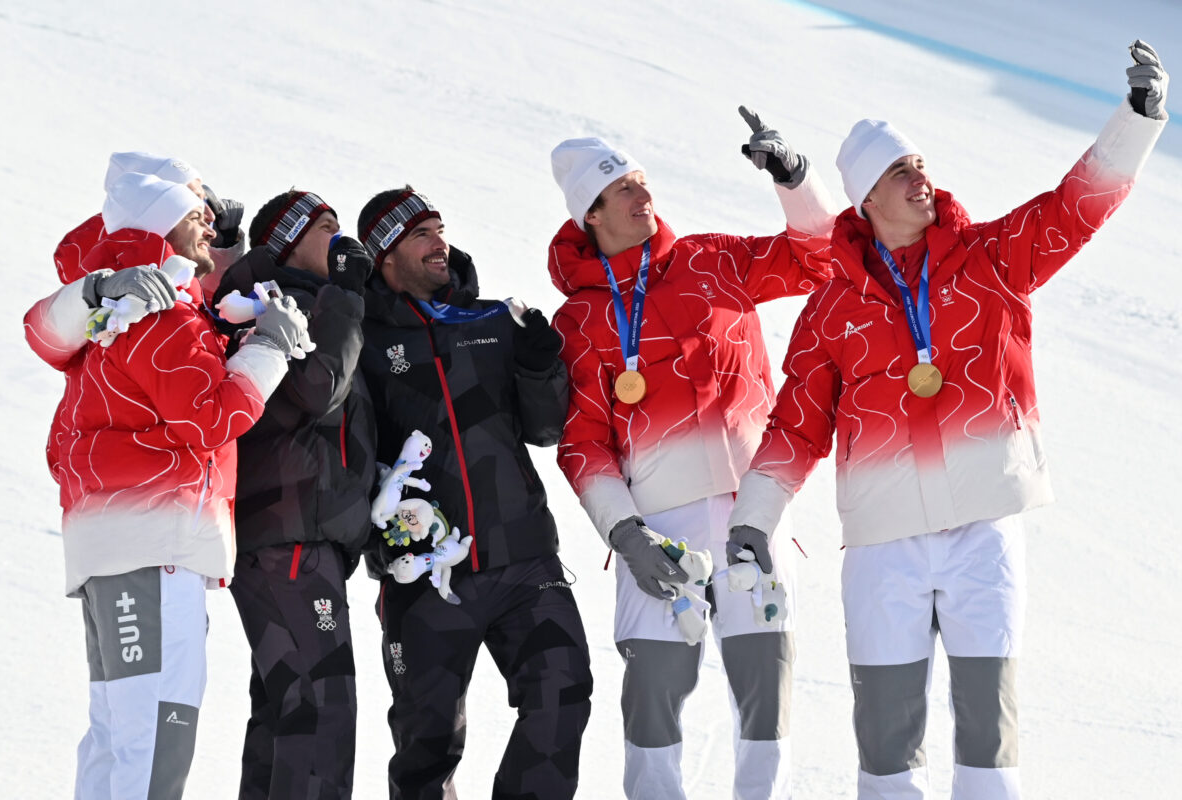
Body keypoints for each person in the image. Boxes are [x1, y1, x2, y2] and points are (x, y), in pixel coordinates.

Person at [726, 41, 1168, 800]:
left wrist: (1138, 116)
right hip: (884, 549)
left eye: (921, 162)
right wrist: (753, 519)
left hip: (982, 533)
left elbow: (1074, 210)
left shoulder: (992, 258)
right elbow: (796, 427)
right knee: (888, 744)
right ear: (866, 199)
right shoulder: (832, 309)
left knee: (987, 736)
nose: (920, 176)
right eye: (901, 170)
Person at [546, 109, 837, 800]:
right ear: (591, 213)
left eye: (644, 181)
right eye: (623, 189)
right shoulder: (580, 321)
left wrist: (795, 181)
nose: (644, 195)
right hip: (657, 531)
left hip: (752, 513)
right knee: (653, 697)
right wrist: (626, 533)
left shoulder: (714, 260)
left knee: (765, 692)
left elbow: (820, 258)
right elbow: (583, 444)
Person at [23, 172, 309, 799]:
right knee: (157, 736)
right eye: (194, 214)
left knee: (118, 735)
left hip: (124, 546)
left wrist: (229, 330)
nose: (210, 222)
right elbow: (211, 419)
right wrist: (269, 349)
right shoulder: (163, 314)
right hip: (153, 545)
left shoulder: (139, 305)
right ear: (159, 227)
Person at [353, 186, 593, 799]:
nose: (441, 243)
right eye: (421, 235)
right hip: (428, 574)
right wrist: (377, 544)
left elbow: (543, 428)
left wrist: (541, 366)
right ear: (385, 257)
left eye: (441, 229)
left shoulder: (491, 321)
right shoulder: (364, 343)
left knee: (562, 691)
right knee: (426, 740)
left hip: (522, 555)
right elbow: (348, 456)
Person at [212, 191, 377, 799]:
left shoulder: (314, 303)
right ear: (284, 241)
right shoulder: (264, 305)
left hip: (303, 533)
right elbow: (316, 389)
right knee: (321, 701)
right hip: (286, 531)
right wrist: (347, 298)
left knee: (286, 709)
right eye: (325, 226)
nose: (339, 237)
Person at [25, 151, 246, 488]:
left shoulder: (167, 273)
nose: (211, 215)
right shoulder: (114, 261)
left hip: (178, 477)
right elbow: (43, 335)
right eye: (197, 200)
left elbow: (205, 320)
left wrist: (226, 251)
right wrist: (97, 290)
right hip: (135, 479)